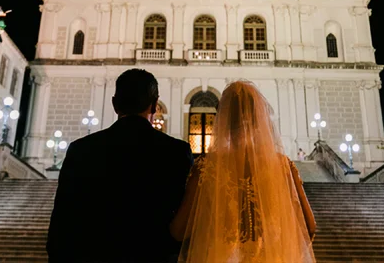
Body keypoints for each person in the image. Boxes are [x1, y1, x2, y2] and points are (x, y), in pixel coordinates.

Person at [47, 69, 193, 263]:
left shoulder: (81, 150)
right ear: (154, 105)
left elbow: (62, 224)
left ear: (115, 104)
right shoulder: (177, 151)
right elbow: (182, 222)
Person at [169, 81, 317, 263]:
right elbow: (309, 226)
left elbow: (179, 230)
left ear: (222, 119)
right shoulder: (283, 166)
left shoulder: (206, 167)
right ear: (258, 119)